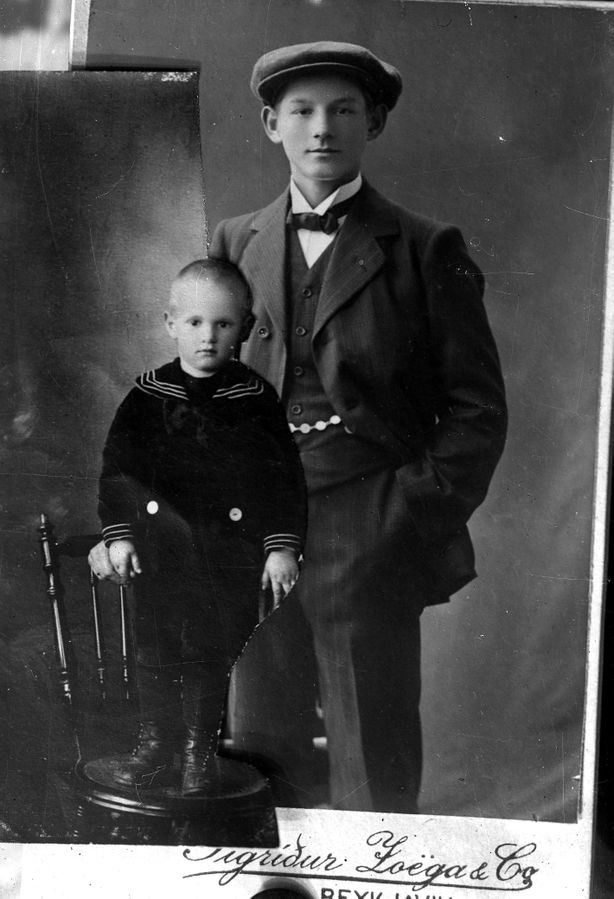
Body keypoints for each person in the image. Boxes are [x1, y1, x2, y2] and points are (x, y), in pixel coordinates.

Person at [206, 41, 508, 814]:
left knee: (373, 754)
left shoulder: (423, 246)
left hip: (367, 521)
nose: (322, 128)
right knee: (257, 749)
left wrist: (406, 510)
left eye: (343, 110)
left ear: (372, 123)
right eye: (302, 111)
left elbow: (477, 410)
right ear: (271, 124)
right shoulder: (233, 242)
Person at [95, 257, 306, 794]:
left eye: (222, 323)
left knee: (209, 653)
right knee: (155, 649)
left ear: (245, 327)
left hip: (227, 554)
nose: (207, 337)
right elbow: (118, 472)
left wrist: (280, 548)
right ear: (170, 324)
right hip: (159, 552)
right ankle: (155, 746)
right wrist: (118, 535)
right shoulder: (148, 395)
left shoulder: (255, 399)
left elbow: (282, 480)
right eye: (193, 322)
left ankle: (197, 755)